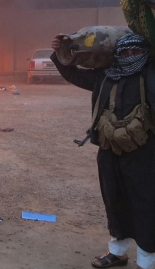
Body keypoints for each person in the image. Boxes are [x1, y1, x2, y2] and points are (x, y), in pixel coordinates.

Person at [51, 33, 155, 269]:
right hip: (109, 151)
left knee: (145, 203)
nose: (130, 57)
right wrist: (60, 54)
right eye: (125, 52)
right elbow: (74, 74)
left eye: (135, 52)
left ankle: (147, 261)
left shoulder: (148, 76)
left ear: (145, 54)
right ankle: (117, 253)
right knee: (114, 200)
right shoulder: (106, 74)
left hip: (143, 154)